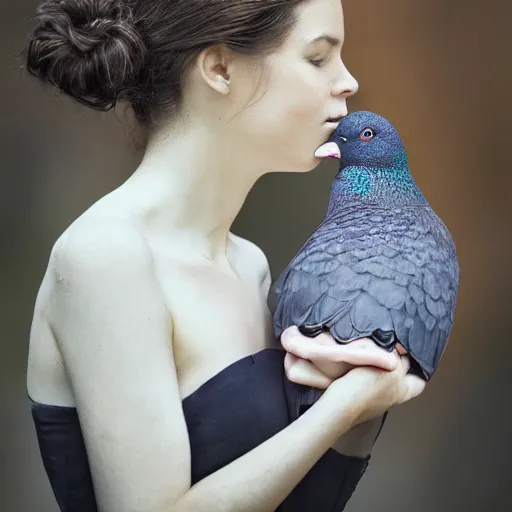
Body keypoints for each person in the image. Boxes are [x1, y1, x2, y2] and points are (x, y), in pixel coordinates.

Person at [24, 0, 426, 510]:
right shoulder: (105, 258)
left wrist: (366, 391)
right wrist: (343, 408)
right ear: (219, 68)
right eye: (319, 58)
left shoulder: (250, 266)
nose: (348, 82)